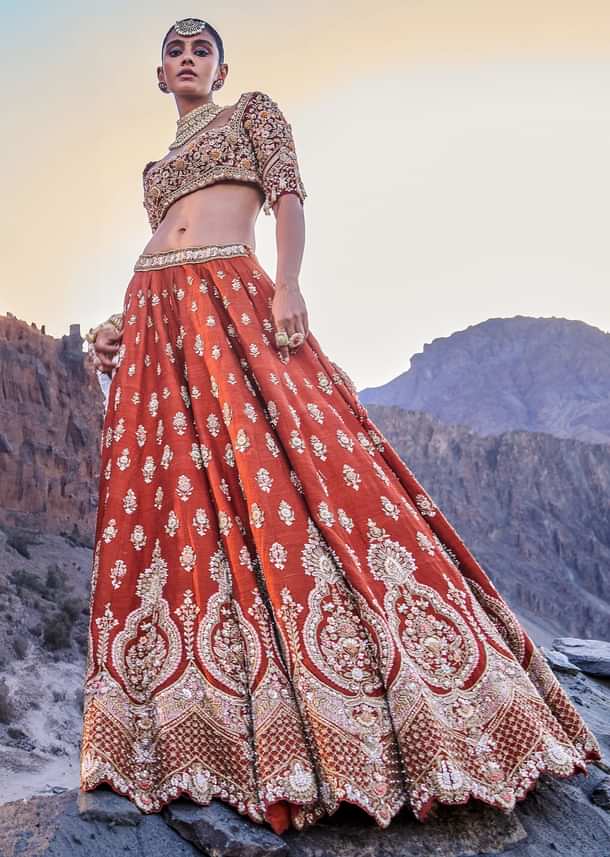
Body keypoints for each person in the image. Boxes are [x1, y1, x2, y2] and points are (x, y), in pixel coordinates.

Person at [79, 16, 601, 837]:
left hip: (232, 297)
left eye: (201, 49)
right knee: (181, 509)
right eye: (174, 51)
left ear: (221, 70)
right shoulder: (155, 170)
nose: (187, 59)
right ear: (158, 74)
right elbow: (161, 240)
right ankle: (196, 727)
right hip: (160, 318)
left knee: (297, 469)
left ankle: (378, 708)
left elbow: (286, 199)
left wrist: (287, 283)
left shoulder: (253, 113)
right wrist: (119, 319)